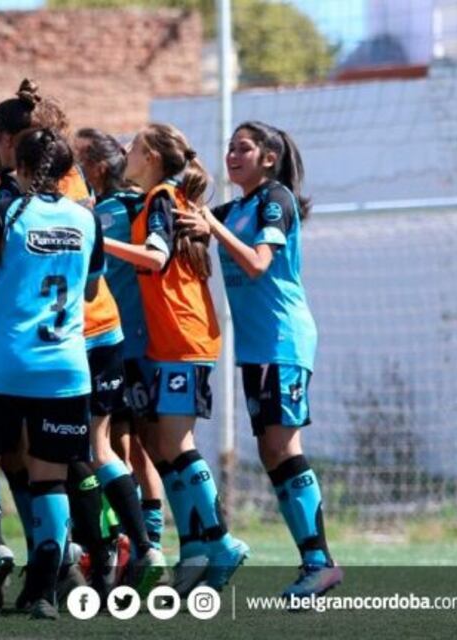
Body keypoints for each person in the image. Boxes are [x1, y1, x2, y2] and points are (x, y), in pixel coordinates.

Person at [0, 127, 103, 621]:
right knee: (50, 481)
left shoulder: (6, 213)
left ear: (24, 168)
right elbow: (92, 291)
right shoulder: (86, 219)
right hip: (66, 369)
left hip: (6, 364)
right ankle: (44, 594)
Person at [177, 121, 342, 599]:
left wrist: (211, 225)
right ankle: (314, 561)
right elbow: (198, 221)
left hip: (282, 339)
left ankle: (320, 562)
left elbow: (257, 263)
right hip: (256, 346)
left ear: (268, 158)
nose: (231, 155)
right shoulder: (236, 207)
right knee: (273, 449)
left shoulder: (276, 199)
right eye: (228, 147)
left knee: (282, 447)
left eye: (242, 148)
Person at [103, 123, 249, 597]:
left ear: (149, 156)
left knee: (176, 443)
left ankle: (221, 540)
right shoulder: (166, 197)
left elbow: (153, 259)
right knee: (166, 447)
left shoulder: (161, 197)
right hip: (173, 340)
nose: (126, 152)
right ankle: (195, 547)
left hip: (184, 338)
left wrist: (96, 240)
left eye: (135, 147)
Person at [76, 128, 168, 595]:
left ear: (93, 167)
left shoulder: (102, 214)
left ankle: (129, 546)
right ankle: (150, 545)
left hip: (110, 344)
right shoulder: (149, 205)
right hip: (143, 344)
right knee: (137, 449)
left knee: (109, 448)